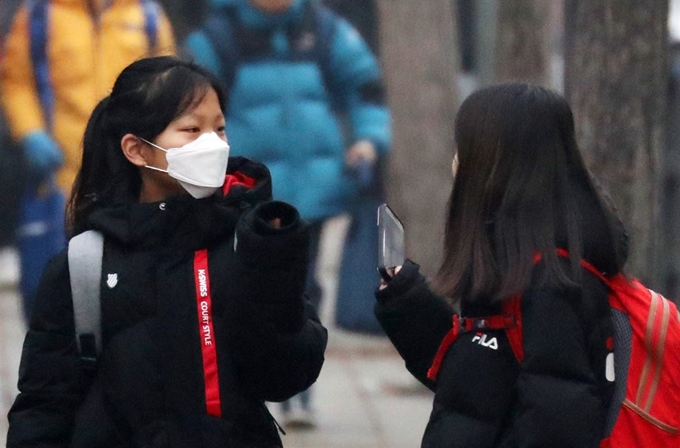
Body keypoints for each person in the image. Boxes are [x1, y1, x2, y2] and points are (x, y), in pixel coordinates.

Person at [6, 56, 328, 448]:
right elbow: (43, 406)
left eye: (220, 129)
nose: (213, 144)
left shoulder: (248, 243)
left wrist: (274, 276)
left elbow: (284, 377)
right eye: (191, 130)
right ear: (137, 150)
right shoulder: (85, 265)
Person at [375, 84, 627, 447]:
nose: (455, 162)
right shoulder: (513, 264)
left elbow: (555, 426)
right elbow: (477, 390)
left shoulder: (550, 286)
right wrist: (407, 302)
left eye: (464, 149)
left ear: (497, 165)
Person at [185, 0, 391, 426]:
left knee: (303, 286)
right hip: (242, 189)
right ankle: (247, 382)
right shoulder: (217, 39)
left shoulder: (326, 29)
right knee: (241, 288)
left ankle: (298, 388)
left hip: (312, 191)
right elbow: (185, 106)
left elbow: (366, 88)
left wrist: (369, 139)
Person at [0, 0, 176, 321]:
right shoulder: (40, 15)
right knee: (53, 300)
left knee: (127, 301)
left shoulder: (147, 16)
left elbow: (169, 88)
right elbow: (16, 81)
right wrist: (30, 132)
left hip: (129, 183)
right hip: (58, 184)